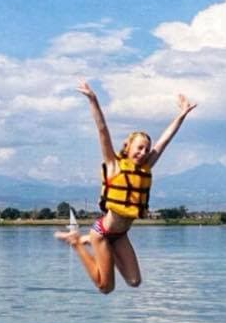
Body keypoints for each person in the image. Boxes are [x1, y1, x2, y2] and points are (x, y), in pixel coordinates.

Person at [56, 79, 197, 293]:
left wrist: (182, 114)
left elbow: (164, 141)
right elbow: (102, 130)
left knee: (134, 281)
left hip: (120, 235)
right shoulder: (113, 164)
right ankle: (77, 242)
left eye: (146, 149)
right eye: (139, 148)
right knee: (106, 287)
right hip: (103, 232)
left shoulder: (145, 168)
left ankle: (91, 244)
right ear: (128, 146)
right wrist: (93, 100)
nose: (143, 152)